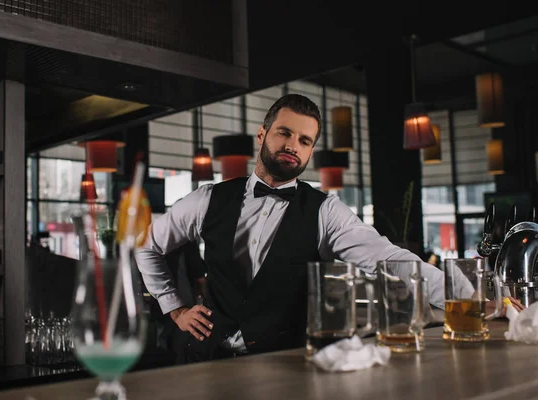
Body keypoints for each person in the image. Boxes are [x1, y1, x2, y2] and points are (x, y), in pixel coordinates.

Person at [135, 94, 516, 363]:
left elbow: (390, 259)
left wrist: (468, 296)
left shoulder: (325, 211)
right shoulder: (207, 200)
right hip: (206, 358)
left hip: (285, 363)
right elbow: (146, 245)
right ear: (262, 134)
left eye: (304, 140)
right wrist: (175, 308)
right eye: (284, 133)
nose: (293, 146)